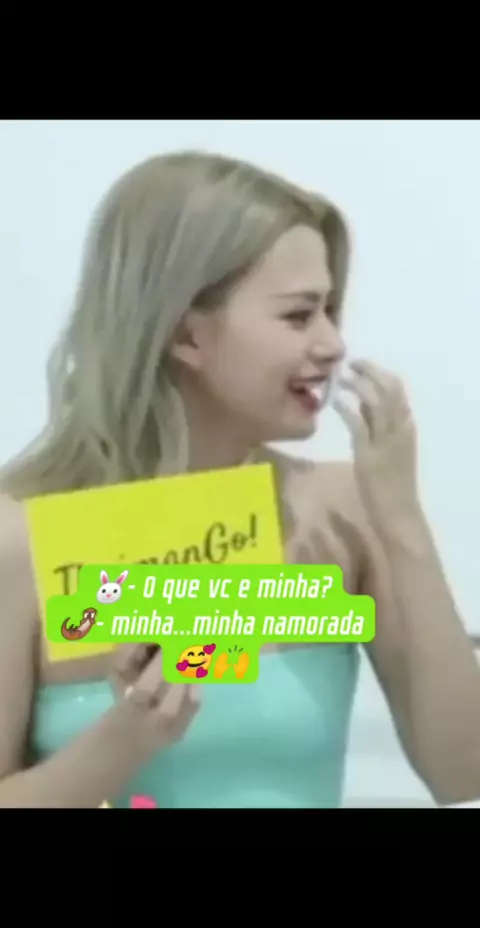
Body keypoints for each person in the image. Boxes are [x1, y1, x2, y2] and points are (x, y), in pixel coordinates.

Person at [0, 150, 479, 809]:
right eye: (298, 315)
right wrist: (125, 740)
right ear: (187, 335)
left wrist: (401, 518)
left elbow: (467, 775)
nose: (333, 344)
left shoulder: (346, 512)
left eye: (331, 310)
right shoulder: (19, 540)